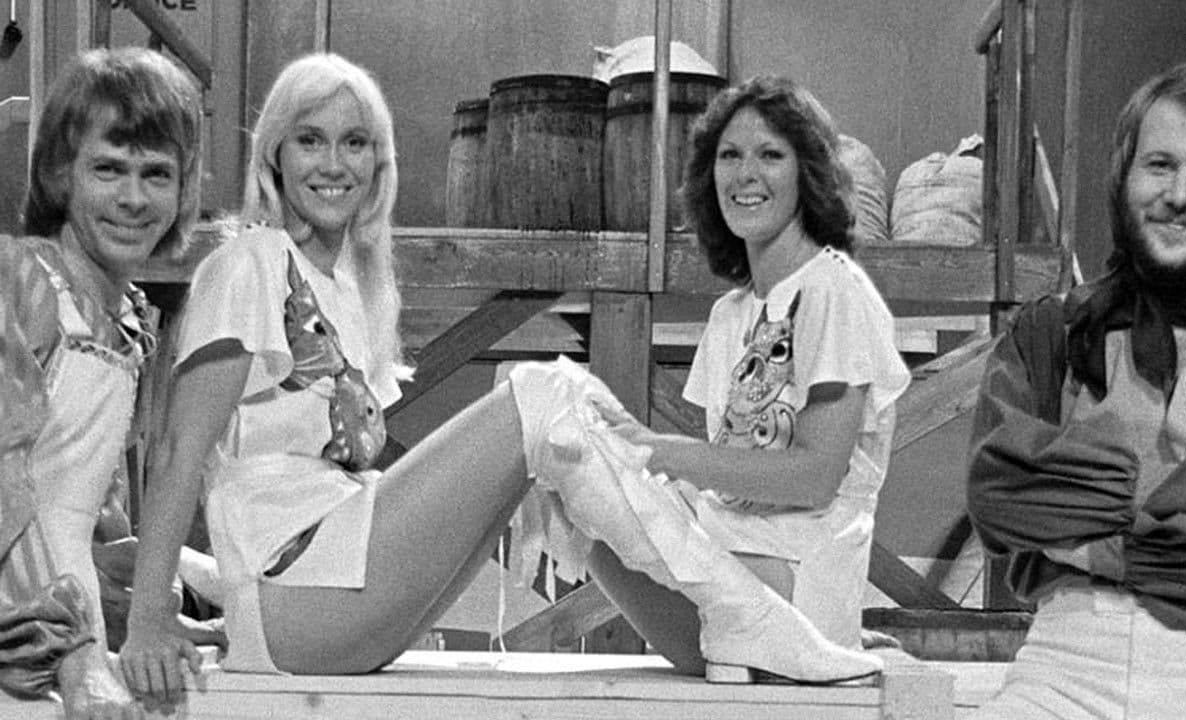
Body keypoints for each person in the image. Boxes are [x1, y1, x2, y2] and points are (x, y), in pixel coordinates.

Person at [121, 55, 892, 708]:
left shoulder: (350, 285)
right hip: (300, 590)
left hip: (325, 586)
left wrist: (536, 476)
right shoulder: (250, 261)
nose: (333, 164)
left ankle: (750, 617)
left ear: (379, 162)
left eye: (355, 142)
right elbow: (181, 449)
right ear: (274, 154)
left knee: (569, 426)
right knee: (546, 393)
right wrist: (150, 615)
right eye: (309, 140)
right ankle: (744, 614)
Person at [967, 60, 1186, 718]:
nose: (1179, 194)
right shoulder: (1049, 332)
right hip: (1064, 661)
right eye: (1159, 165)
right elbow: (999, 495)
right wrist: (1182, 518)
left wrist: (1091, 506)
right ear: (1124, 176)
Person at [577, 73, 912, 678]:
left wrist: (665, 455)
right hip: (736, 560)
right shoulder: (729, 315)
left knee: (580, 467)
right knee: (577, 486)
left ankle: (816, 644)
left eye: (770, 155)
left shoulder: (833, 290)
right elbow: (731, 475)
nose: (745, 175)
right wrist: (629, 452)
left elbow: (814, 478)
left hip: (796, 582)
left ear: (809, 173)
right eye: (729, 156)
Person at [0, 47, 206, 720]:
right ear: (60, 173)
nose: (134, 198)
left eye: (157, 174)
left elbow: (78, 515)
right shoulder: (17, 282)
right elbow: (6, 494)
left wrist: (166, 594)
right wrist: (79, 663)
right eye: (109, 169)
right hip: (34, 650)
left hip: (62, 643)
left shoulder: (130, 322)